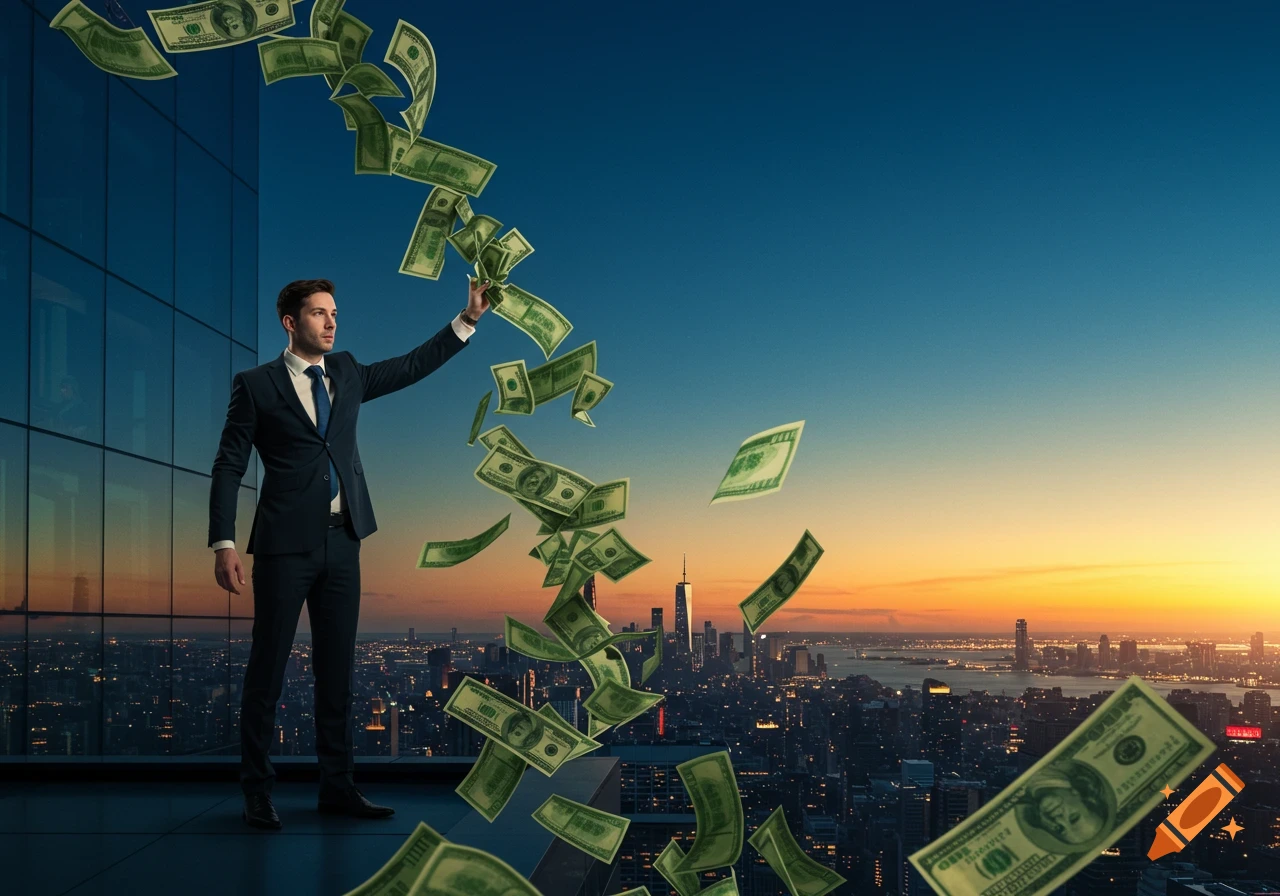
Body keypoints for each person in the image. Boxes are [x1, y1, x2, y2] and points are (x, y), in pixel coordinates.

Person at [209, 276, 490, 830]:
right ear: (290, 322)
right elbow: (229, 465)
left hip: (344, 540)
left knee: (336, 674)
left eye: (334, 312)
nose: (332, 322)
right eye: (319, 313)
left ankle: (337, 787)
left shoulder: (347, 371)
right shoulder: (256, 385)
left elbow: (411, 366)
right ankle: (256, 792)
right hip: (284, 548)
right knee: (267, 670)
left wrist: (468, 319)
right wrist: (223, 542)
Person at [1016, 760, 1113, 852]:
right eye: (1073, 818)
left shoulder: (1018, 797)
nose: (1059, 820)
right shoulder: (1064, 763)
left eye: (1059, 829)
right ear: (1079, 794)